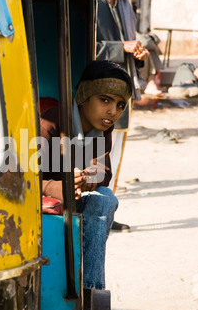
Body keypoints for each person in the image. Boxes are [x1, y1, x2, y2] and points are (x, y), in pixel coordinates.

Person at [40, 60, 132, 291]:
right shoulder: (49, 124)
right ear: (83, 95)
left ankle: (91, 288)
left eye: (120, 104)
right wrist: (59, 188)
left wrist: (84, 179)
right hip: (40, 204)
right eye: (105, 100)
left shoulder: (103, 127)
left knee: (106, 198)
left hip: (76, 197)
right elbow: (22, 178)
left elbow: (104, 172)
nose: (113, 111)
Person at [95, 0, 149, 231]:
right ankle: (98, 211)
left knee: (112, 155)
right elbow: (87, 45)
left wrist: (136, 51)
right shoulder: (93, 0)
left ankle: (107, 211)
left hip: (118, 92)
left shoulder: (123, 4)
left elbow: (126, 43)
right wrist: (122, 47)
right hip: (95, 93)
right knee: (95, 154)